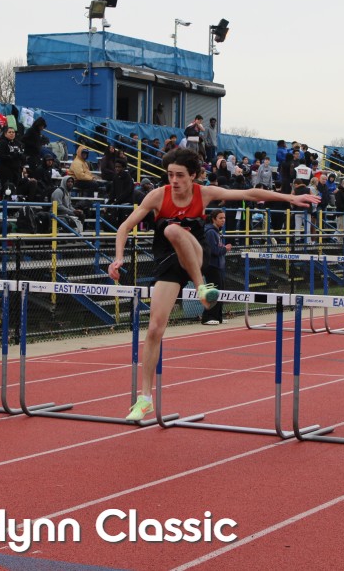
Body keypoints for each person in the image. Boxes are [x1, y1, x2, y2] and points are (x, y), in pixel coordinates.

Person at [107, 148, 320, 421]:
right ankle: (145, 398)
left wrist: (289, 197)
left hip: (197, 256)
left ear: (193, 175)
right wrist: (118, 258)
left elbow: (249, 194)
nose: (174, 180)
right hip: (170, 263)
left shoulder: (203, 193)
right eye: (170, 175)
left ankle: (201, 287)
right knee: (154, 329)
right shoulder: (157, 196)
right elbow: (124, 227)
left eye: (180, 175)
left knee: (172, 229)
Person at [200, 209, 230, 325]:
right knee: (213, 291)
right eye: (220, 218)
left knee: (220, 291)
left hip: (218, 266)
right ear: (213, 219)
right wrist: (225, 249)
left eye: (224, 218)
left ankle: (218, 316)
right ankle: (208, 317)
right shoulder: (210, 232)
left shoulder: (216, 232)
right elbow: (213, 250)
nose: (223, 220)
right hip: (212, 266)